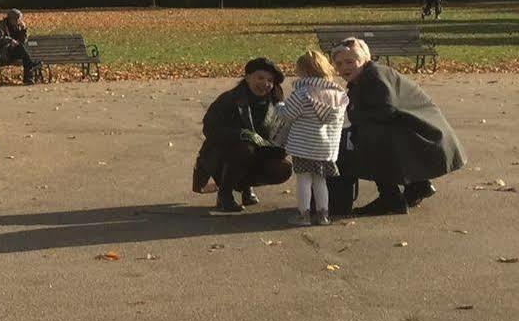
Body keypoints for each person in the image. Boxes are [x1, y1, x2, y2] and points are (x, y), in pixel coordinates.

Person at [327, 37, 465, 216]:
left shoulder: (374, 77)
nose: (344, 67)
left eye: (350, 61)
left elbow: (386, 110)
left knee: (364, 140)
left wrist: (351, 119)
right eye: (339, 63)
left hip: (426, 134)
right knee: (367, 134)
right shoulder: (366, 77)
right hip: (420, 129)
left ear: (365, 60)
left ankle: (390, 198)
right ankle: (418, 185)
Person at [191, 57, 293, 213]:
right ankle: (224, 194)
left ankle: (245, 186)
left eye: (270, 81)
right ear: (247, 77)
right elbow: (210, 129)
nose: (265, 84)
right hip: (222, 154)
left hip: (259, 153)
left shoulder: (277, 104)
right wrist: (241, 134)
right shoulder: (229, 99)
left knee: (283, 168)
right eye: (260, 78)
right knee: (245, 149)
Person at [269, 49, 348, 227]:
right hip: (327, 149)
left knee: (304, 180)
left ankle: (303, 214)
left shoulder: (303, 94)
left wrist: (278, 104)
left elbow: (286, 115)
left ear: (303, 71)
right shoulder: (339, 96)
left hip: (304, 146)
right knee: (320, 181)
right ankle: (323, 215)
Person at [0, 9, 37, 84]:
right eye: (18, 19)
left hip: (16, 51)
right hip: (4, 52)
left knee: (23, 51)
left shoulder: (17, 26)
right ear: (11, 19)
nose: (19, 21)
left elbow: (23, 41)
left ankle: (28, 78)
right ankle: (29, 73)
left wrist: (24, 30)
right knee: (23, 52)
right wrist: (10, 41)